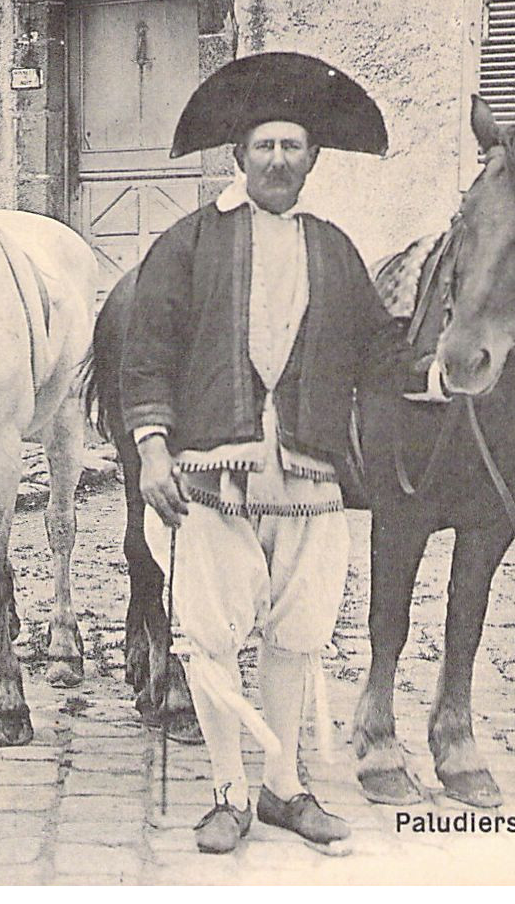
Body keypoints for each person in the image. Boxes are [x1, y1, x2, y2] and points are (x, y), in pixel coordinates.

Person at [121, 54, 441, 854]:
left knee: (298, 635)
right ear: (238, 155)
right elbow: (146, 350)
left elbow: (374, 350)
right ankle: (228, 790)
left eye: (292, 146)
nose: (277, 159)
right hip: (210, 475)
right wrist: (152, 448)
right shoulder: (188, 242)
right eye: (263, 144)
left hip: (307, 476)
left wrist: (434, 365)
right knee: (212, 635)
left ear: (312, 160)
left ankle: (282, 786)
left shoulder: (331, 248)